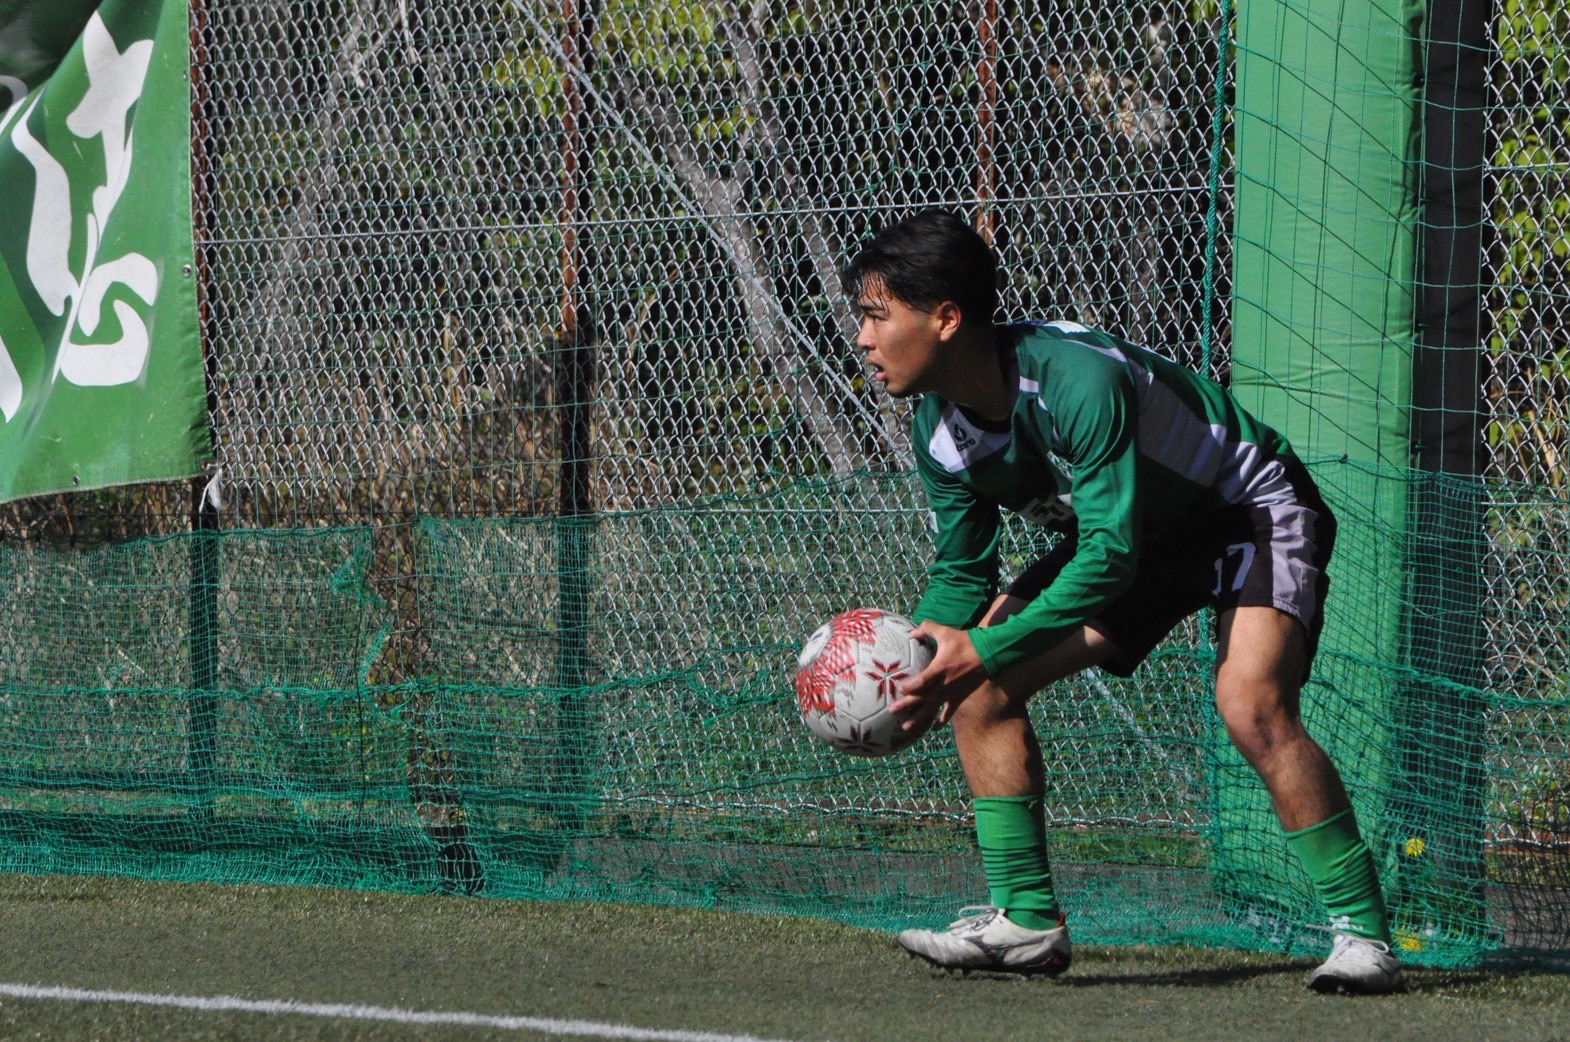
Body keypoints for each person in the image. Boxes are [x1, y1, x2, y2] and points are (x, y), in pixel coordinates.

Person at [838, 209, 1404, 995]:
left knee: (1251, 705)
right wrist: (923, 653)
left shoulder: (1076, 379)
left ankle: (1365, 937)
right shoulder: (937, 425)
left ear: (946, 318)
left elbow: (1107, 556)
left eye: (876, 316)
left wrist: (986, 644)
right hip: (1135, 537)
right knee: (975, 689)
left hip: (1244, 508)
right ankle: (1027, 923)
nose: (861, 339)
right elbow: (963, 569)